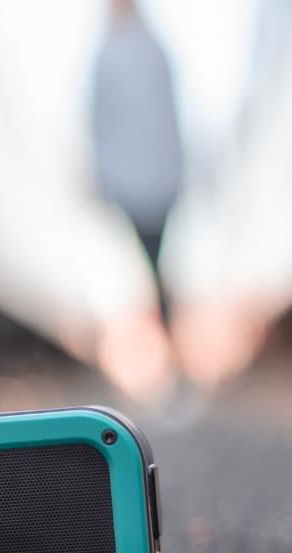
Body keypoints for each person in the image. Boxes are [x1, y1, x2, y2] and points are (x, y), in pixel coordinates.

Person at [90, 0, 183, 321]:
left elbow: (101, 126)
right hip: (158, 183)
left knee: (139, 271)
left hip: (130, 187)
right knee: (156, 265)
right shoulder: (156, 50)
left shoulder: (108, 57)